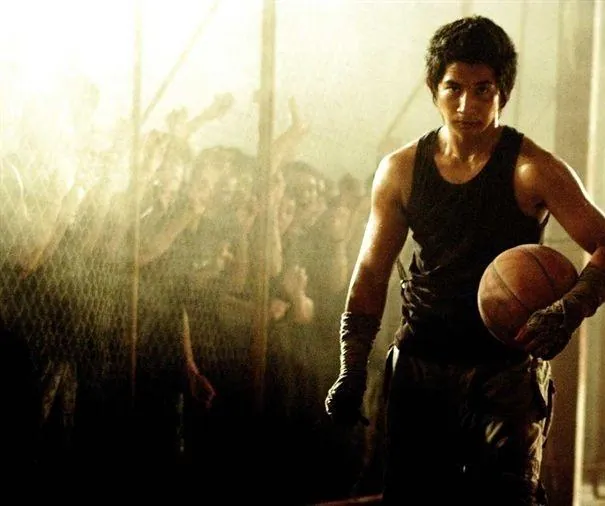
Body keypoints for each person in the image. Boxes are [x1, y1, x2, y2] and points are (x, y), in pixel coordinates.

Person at [325, 15, 605, 506]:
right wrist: (352, 366)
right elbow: (370, 270)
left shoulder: (531, 168)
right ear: (433, 88)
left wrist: (570, 308)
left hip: (504, 371)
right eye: (453, 88)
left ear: (503, 93)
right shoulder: (401, 170)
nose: (466, 105)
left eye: (483, 90)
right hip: (421, 361)